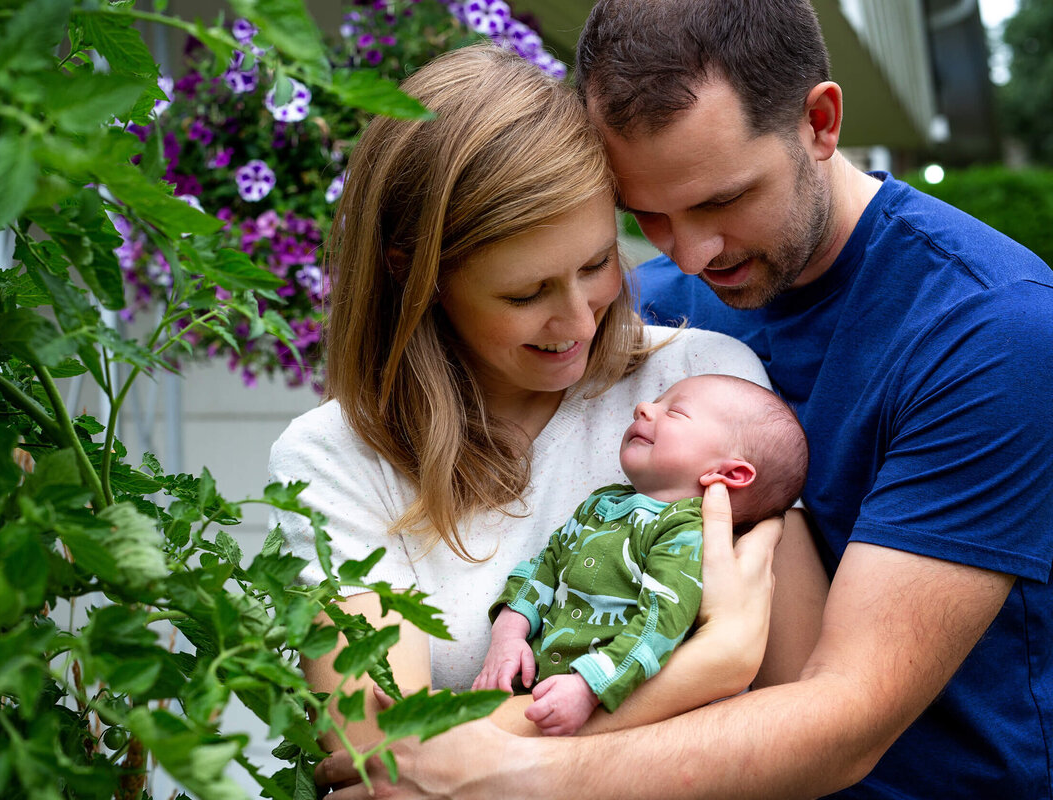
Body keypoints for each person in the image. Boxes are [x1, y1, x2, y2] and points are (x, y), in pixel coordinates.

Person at [314, 1, 1053, 798]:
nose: (691, 255)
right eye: (648, 217)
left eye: (721, 201)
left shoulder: (989, 329)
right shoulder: (644, 317)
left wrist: (530, 771)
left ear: (821, 122)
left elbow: (846, 710)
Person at [267, 41, 828, 756]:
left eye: (596, 264)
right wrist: (701, 671)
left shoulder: (704, 389)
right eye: (526, 292)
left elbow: (801, 723)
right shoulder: (338, 459)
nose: (579, 322)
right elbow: (372, 748)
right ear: (416, 274)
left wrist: (471, 736)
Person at [474, 374, 808, 737]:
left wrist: (592, 686)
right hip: (527, 699)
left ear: (729, 473)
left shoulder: (686, 534)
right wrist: (509, 634)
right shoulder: (602, 503)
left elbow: (661, 622)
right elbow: (546, 564)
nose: (643, 407)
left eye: (675, 412)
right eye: (655, 400)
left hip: (613, 717)